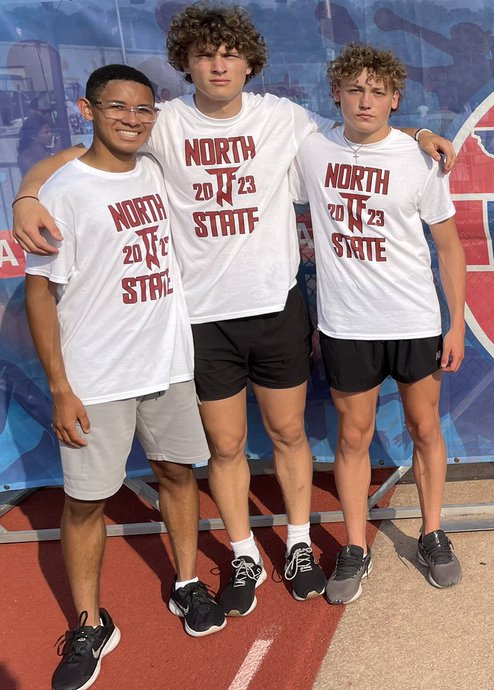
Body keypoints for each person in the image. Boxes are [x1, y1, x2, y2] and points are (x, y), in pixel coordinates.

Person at [12, 2, 455, 617]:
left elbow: (358, 130)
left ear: (250, 64)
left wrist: (418, 135)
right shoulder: (160, 122)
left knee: (289, 432)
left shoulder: (283, 118)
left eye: (230, 55)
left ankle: (299, 544)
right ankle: (244, 549)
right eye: (205, 55)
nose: (218, 65)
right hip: (200, 317)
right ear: (186, 64)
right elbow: (78, 157)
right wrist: (28, 193)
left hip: (275, 307)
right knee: (224, 447)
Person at [26, 64, 225, 690]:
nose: (132, 119)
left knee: (177, 474)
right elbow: (39, 294)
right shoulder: (62, 191)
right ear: (88, 110)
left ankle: (187, 583)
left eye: (143, 110)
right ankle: (91, 624)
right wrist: (60, 385)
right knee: (86, 502)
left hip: (167, 365)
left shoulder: (156, 170)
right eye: (118, 108)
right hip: (95, 378)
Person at [292, 43, 464, 602]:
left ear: (395, 99)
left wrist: (455, 323)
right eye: (354, 89)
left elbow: (450, 247)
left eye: (377, 91)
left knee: (425, 428)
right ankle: (355, 545)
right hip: (346, 324)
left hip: (414, 320)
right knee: (352, 435)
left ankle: (433, 532)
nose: (365, 101)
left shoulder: (420, 159)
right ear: (336, 95)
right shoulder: (311, 149)